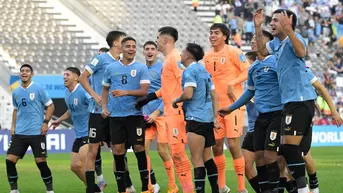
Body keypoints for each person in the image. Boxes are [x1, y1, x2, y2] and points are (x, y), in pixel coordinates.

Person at [253, 8, 326, 192]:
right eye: (272, 20)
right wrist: (258, 26)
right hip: (291, 102)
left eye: (276, 20)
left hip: (300, 100)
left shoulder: (295, 38)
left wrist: (290, 30)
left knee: (291, 149)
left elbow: (301, 53)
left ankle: (304, 189)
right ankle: (307, 188)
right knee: (288, 149)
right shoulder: (276, 44)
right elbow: (262, 49)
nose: (272, 23)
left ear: (289, 20)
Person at [219, 31, 283, 193]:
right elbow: (250, 92)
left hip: (278, 117)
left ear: (268, 44)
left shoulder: (278, 62)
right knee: (252, 163)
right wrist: (230, 108)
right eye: (253, 38)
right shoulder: (253, 68)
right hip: (259, 122)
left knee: (275, 161)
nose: (253, 41)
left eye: (257, 39)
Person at [136, 26, 193, 193]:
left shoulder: (175, 58)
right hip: (168, 113)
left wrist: (178, 104)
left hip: (175, 113)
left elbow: (186, 83)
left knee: (178, 154)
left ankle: (186, 189)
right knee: (175, 153)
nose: (156, 41)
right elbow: (167, 89)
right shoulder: (169, 59)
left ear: (165, 40)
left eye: (157, 39)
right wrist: (147, 99)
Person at [80, 31, 135, 193]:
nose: (126, 43)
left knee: (119, 152)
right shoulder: (101, 59)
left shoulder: (122, 62)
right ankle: (91, 188)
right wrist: (95, 95)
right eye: (123, 40)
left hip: (116, 113)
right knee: (93, 151)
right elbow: (83, 77)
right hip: (97, 112)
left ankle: (126, 185)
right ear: (116, 43)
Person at [204, 23, 250, 193]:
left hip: (233, 105)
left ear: (225, 36)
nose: (212, 35)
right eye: (211, 33)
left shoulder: (234, 52)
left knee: (232, 145)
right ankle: (221, 186)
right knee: (216, 146)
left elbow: (248, 71)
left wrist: (233, 82)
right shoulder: (207, 57)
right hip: (215, 107)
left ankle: (241, 188)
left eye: (216, 33)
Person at [102, 37, 151, 193]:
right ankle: (122, 189)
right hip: (116, 116)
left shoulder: (141, 68)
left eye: (134, 46)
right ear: (121, 49)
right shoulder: (111, 68)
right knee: (117, 150)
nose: (131, 49)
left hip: (134, 115)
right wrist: (104, 106)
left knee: (138, 147)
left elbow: (144, 91)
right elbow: (105, 89)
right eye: (128, 46)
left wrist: (125, 92)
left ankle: (145, 187)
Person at [172, 43, 220, 193]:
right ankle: (216, 190)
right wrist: (215, 117)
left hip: (195, 118)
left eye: (182, 52)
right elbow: (215, 95)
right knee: (207, 157)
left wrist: (175, 101)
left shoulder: (189, 71)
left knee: (196, 159)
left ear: (188, 55)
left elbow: (188, 94)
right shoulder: (204, 71)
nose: (180, 55)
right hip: (207, 120)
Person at [50, 67, 104, 193]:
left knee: (80, 163)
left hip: (89, 133)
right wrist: (59, 120)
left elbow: (96, 105)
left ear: (76, 77)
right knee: (74, 167)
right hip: (78, 134)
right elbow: (71, 110)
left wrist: (100, 129)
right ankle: (94, 188)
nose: (64, 77)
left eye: (67, 74)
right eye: (64, 74)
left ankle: (92, 189)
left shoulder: (83, 91)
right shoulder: (66, 92)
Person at [6, 64, 55, 193]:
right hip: (20, 133)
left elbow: (51, 106)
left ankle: (50, 190)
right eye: (22, 71)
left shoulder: (39, 89)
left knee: (41, 162)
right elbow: (16, 110)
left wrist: (45, 122)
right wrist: (13, 127)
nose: (24, 72)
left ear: (31, 74)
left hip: (37, 132)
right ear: (19, 74)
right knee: (10, 161)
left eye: (27, 71)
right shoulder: (16, 91)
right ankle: (14, 190)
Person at [142, 41, 176, 192]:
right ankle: (149, 185)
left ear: (157, 52)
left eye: (152, 49)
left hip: (161, 115)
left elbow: (168, 91)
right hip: (146, 117)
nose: (149, 51)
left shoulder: (163, 67)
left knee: (162, 151)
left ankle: (172, 185)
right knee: (143, 151)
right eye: (147, 49)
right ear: (143, 52)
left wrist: (157, 112)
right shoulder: (141, 69)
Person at [240, 51, 260, 193]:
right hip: (253, 130)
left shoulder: (264, 78)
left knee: (280, 168)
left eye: (245, 62)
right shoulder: (247, 83)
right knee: (246, 166)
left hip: (269, 128)